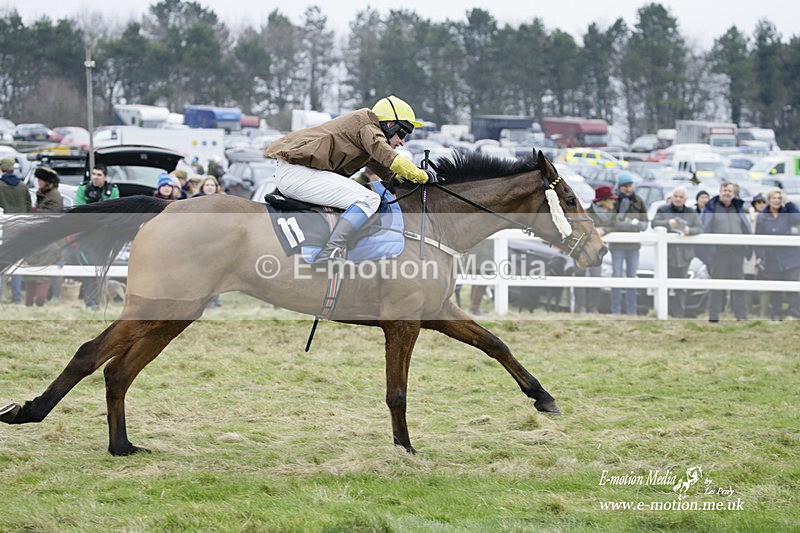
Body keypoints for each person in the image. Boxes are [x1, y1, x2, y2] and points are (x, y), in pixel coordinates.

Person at [266, 95, 430, 265]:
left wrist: (411, 183)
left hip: (297, 173)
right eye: (402, 133)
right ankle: (329, 253)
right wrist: (421, 175)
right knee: (369, 198)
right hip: (298, 173)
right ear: (390, 125)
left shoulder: (366, 134)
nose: (402, 142)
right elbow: (391, 159)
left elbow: (389, 172)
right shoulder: (367, 126)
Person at [699, 181, 752, 322]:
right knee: (716, 285)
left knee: (738, 285)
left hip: (737, 252)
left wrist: (748, 248)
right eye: (724, 190)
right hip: (719, 253)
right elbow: (704, 228)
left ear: (734, 194)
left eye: (729, 191)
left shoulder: (738, 208)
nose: (727, 193)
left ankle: (741, 315)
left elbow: (746, 229)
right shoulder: (711, 208)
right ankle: (714, 315)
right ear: (720, 191)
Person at [650, 186, 703, 318]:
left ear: (685, 199)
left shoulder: (691, 212)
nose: (678, 199)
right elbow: (654, 223)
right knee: (664, 285)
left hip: (684, 256)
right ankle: (664, 312)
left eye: (681, 197)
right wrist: (669, 223)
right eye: (676, 196)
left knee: (681, 287)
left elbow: (700, 228)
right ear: (671, 197)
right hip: (667, 255)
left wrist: (688, 231)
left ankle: (679, 314)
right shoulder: (663, 209)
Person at [74, 163, 120, 310]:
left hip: (105, 236)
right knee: (89, 267)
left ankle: (97, 299)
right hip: (87, 235)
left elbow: (114, 210)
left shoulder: (112, 190)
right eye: (93, 174)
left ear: (105, 177)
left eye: (99, 175)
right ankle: (90, 301)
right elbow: (80, 208)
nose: (95, 177)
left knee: (101, 268)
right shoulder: (83, 188)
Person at [754, 189, 800, 320]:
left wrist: (788, 203)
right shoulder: (762, 217)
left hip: (790, 257)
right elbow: (759, 238)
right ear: (769, 200)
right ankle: (776, 313)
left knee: (792, 286)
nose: (777, 201)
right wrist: (760, 256)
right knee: (775, 288)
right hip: (772, 257)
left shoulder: (788, 213)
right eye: (774, 198)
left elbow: (797, 219)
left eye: (779, 198)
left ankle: (794, 312)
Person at [24, 166, 64, 306]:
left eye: (41, 180)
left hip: (52, 237)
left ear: (48, 182)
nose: (39, 182)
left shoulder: (54, 196)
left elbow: (49, 216)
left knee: (49, 272)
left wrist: (33, 212)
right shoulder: (44, 193)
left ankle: (54, 297)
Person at [608, 171, 647, 315]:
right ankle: (615, 310)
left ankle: (632, 311)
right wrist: (630, 224)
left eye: (629, 186)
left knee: (632, 277)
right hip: (617, 246)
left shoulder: (639, 201)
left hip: (633, 245)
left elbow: (645, 221)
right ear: (619, 187)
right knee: (616, 276)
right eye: (625, 186)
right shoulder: (613, 201)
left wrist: (640, 225)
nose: (628, 189)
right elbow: (613, 222)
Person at [575, 185, 617, 313]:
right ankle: (580, 306)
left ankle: (593, 307)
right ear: (603, 200)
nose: (614, 201)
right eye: (611, 199)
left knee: (596, 276)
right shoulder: (586, 213)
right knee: (580, 276)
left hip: (597, 251)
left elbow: (616, 226)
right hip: (581, 250)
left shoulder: (612, 215)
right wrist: (593, 231)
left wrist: (604, 230)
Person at [0, 157, 32, 303]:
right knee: (17, 264)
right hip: (20, 230)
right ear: (13, 168)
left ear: (1, 168)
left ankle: (1, 296)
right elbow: (29, 208)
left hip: (4, 229)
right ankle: (17, 298)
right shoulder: (23, 187)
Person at [744, 194, 769, 317]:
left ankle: (763, 313)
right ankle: (747, 312)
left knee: (764, 282)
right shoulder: (749, 218)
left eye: (763, 202)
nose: (760, 205)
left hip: (765, 253)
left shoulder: (768, 217)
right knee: (747, 281)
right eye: (758, 202)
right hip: (749, 253)